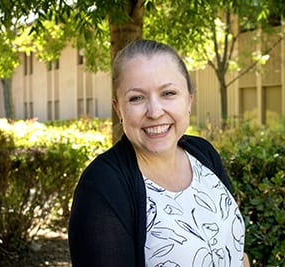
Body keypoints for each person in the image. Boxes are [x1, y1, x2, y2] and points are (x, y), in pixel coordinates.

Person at [68, 39, 249, 267]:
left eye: (168, 93)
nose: (154, 112)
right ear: (118, 108)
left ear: (189, 100)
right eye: (136, 98)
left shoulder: (204, 154)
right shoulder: (102, 186)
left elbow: (237, 253)